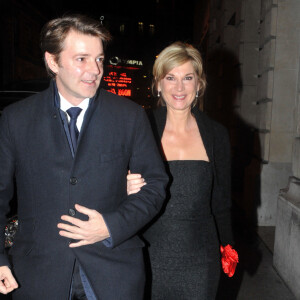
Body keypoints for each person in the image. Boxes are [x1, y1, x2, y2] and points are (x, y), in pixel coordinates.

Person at [0, 15, 168, 300]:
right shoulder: (16, 119)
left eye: (100, 59)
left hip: (113, 271)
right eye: (82, 59)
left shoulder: (130, 116)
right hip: (39, 274)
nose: (95, 70)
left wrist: (111, 225)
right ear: (53, 62)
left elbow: (155, 184)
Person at [127, 42, 234, 299]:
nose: (179, 87)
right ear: (158, 84)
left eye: (188, 78)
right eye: (170, 78)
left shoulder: (216, 134)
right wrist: (124, 187)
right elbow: (109, 186)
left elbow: (221, 200)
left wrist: (228, 246)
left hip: (200, 258)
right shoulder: (139, 128)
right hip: (146, 253)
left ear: (199, 84)